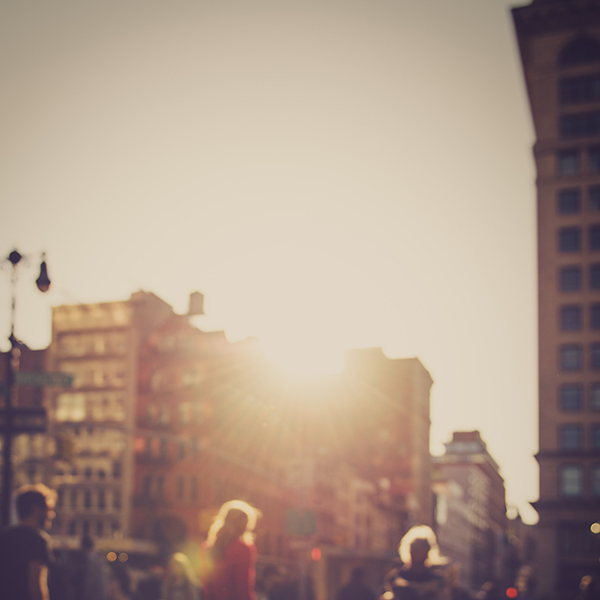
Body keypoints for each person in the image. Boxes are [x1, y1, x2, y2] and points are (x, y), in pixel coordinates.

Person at [0, 483, 56, 600]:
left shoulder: (4, 536)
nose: (51, 515)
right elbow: (36, 585)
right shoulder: (38, 540)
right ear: (36, 509)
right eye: (48, 509)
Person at [200, 500, 260, 600]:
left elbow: (206, 585)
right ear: (245, 526)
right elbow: (243, 587)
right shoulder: (243, 549)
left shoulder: (207, 547)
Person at [381, 525, 450, 600]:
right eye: (415, 550)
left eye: (421, 550)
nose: (417, 555)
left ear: (427, 552)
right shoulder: (395, 577)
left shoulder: (437, 579)